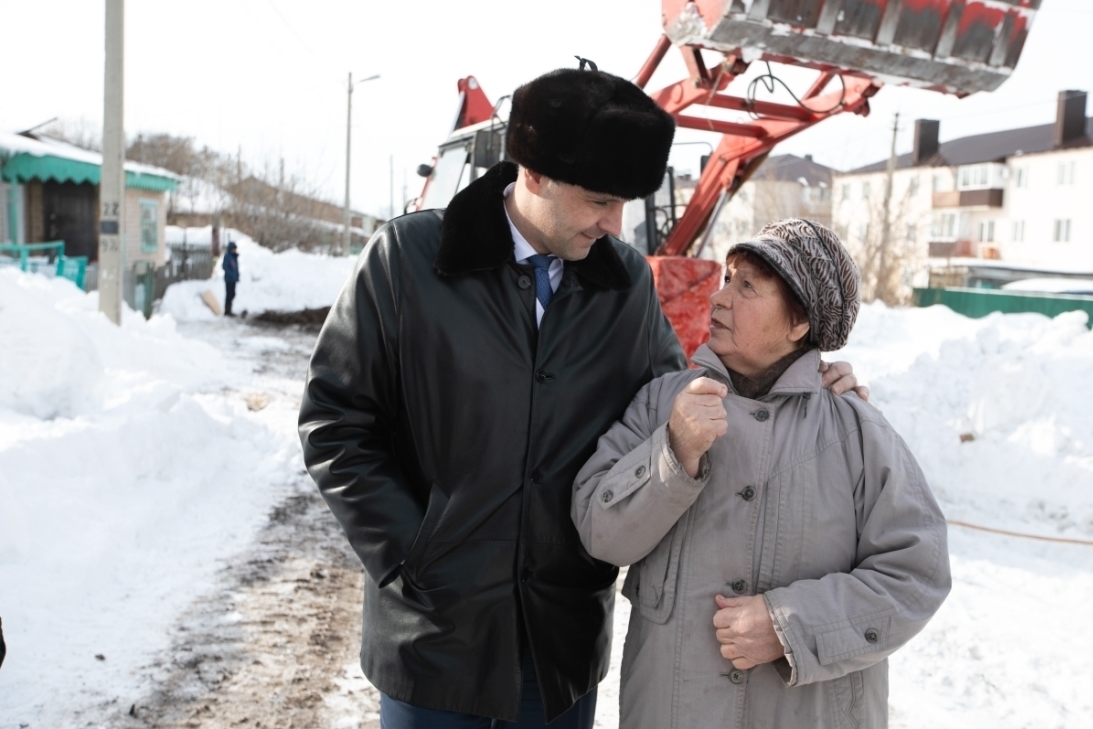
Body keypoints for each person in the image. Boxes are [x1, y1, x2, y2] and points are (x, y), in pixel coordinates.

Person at [298, 67, 863, 729]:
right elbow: (334, 419)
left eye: (624, 201)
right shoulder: (408, 259)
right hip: (432, 644)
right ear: (532, 175)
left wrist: (797, 376)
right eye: (599, 199)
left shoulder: (621, 282)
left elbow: (671, 401)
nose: (614, 223)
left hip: (557, 646)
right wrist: (408, 554)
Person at [572, 219, 951, 729]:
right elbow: (599, 533)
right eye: (726, 279)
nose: (718, 299)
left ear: (799, 323)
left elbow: (917, 575)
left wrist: (789, 628)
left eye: (746, 285)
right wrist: (673, 453)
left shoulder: (857, 431)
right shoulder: (663, 403)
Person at [222, 241, 239, 316]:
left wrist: (237, 276)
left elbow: (236, 268)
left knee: (233, 294)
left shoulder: (234, 257)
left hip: (233, 279)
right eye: (233, 249)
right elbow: (225, 266)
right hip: (229, 279)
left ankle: (229, 310)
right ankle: (227, 311)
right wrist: (230, 274)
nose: (234, 250)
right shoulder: (228, 256)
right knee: (229, 294)